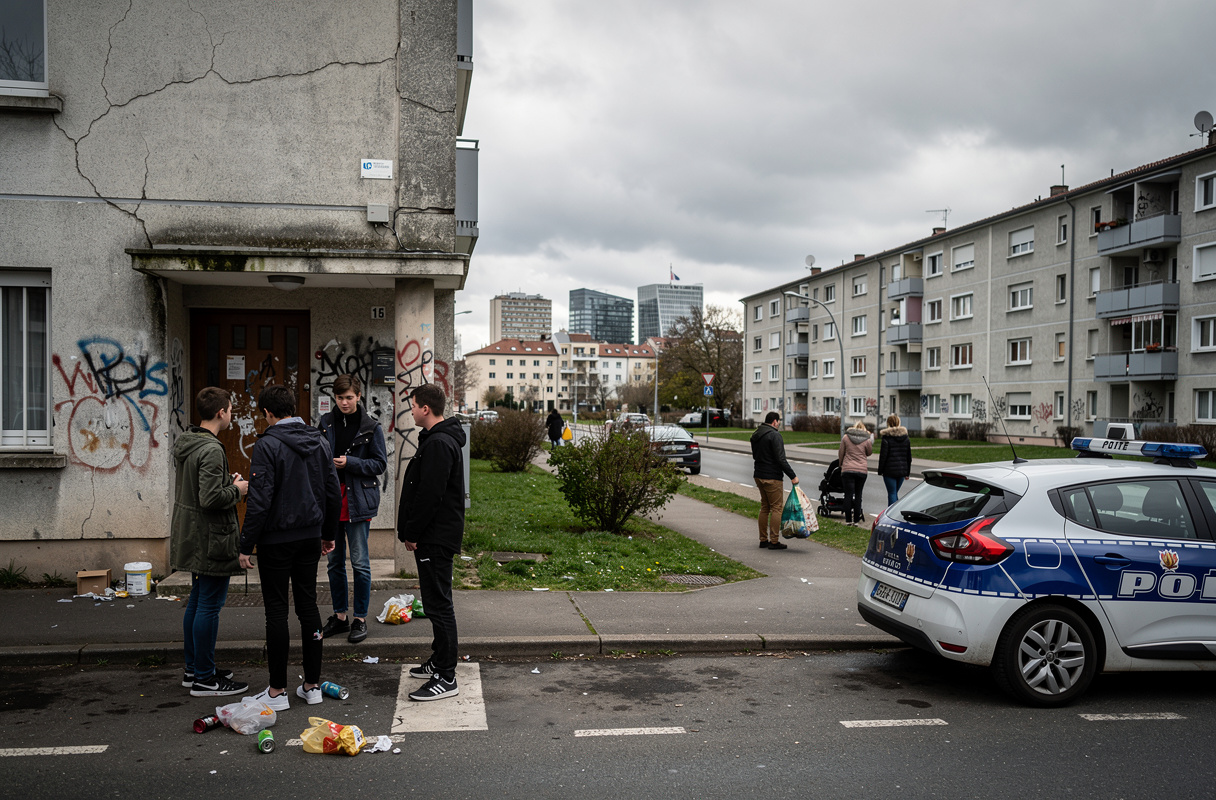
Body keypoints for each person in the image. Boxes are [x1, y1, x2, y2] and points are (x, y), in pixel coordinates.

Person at [238, 385, 341, 711]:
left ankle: (277, 691)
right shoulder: (320, 441)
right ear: (293, 407)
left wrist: (246, 543)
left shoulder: (267, 445)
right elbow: (332, 492)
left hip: (275, 541)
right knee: (308, 606)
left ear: (268, 413)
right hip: (309, 537)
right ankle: (312, 686)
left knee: (277, 611)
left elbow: (259, 499)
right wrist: (328, 534)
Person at [171, 387, 250, 697]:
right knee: (209, 605)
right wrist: (239, 490)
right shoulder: (212, 449)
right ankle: (205, 677)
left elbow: (201, 489)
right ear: (221, 413)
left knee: (198, 600)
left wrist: (225, 484)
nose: (231, 414)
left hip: (192, 533)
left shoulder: (189, 443)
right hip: (210, 536)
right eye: (230, 409)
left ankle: (194, 670)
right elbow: (210, 498)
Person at [398, 384, 466, 701]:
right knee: (437, 602)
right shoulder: (436, 440)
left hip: (435, 538)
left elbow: (430, 496)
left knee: (439, 606)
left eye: (413, 405)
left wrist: (412, 532)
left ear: (425, 408)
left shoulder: (439, 443)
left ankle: (446, 677)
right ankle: (439, 662)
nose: (410, 410)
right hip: (434, 536)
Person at [317, 375, 387, 645]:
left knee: (360, 563)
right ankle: (340, 616)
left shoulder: (371, 427)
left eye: (349, 397)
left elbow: (379, 464)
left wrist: (351, 463)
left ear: (359, 396)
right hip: (331, 501)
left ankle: (359, 618)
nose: (344, 402)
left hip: (358, 501)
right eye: (339, 398)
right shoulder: (325, 424)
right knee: (334, 563)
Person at [749, 411, 798, 551]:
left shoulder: (756, 434)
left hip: (758, 474)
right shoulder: (775, 435)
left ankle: (763, 540)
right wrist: (793, 476)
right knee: (777, 508)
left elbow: (755, 455)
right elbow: (781, 459)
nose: (779, 424)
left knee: (765, 507)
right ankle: (774, 541)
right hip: (772, 477)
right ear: (775, 422)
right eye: (779, 422)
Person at [839, 420, 873, 525]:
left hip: (848, 469)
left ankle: (848, 520)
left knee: (848, 495)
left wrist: (841, 465)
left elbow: (841, 453)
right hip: (862, 470)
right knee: (859, 495)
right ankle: (856, 521)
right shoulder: (866, 440)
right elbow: (869, 452)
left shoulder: (845, 438)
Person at [877, 413, 912, 506]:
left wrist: (880, 471)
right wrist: (907, 472)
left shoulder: (886, 438)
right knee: (895, 493)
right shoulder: (906, 438)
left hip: (889, 470)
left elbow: (883, 456)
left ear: (888, 423)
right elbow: (909, 457)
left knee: (892, 493)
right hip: (902, 470)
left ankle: (891, 516)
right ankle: (896, 513)